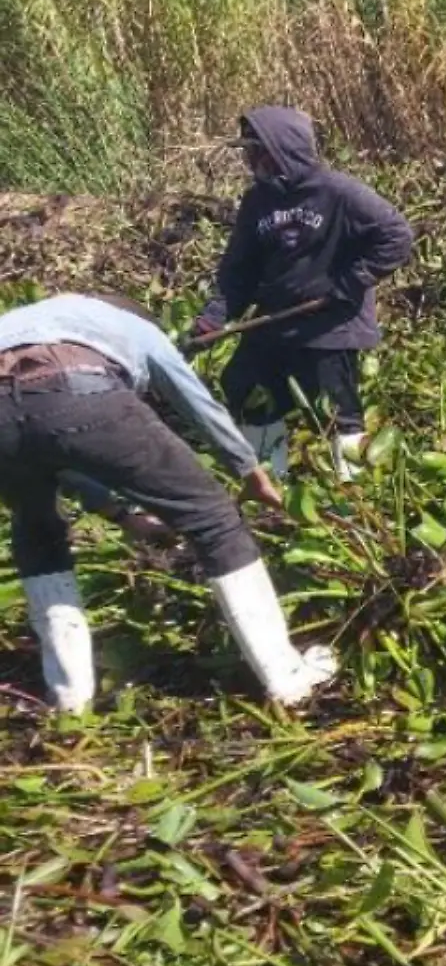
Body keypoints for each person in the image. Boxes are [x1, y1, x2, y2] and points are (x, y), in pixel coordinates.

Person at [0, 292, 338, 714]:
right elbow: (193, 399)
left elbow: (47, 441)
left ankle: (69, 699)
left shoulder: (24, 319)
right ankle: (288, 680)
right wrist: (247, 468)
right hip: (79, 383)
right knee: (214, 520)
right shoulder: (136, 327)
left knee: (38, 534)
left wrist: (120, 514)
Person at [192, 105, 414, 482]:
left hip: (330, 324)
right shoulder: (257, 202)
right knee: (245, 387)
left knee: (334, 411)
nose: (249, 159)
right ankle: (270, 485)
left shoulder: (340, 193)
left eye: (255, 149)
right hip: (276, 319)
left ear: (281, 149)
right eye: (247, 150)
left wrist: (348, 283)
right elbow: (238, 268)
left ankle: (352, 498)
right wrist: (214, 316)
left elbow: (396, 236)